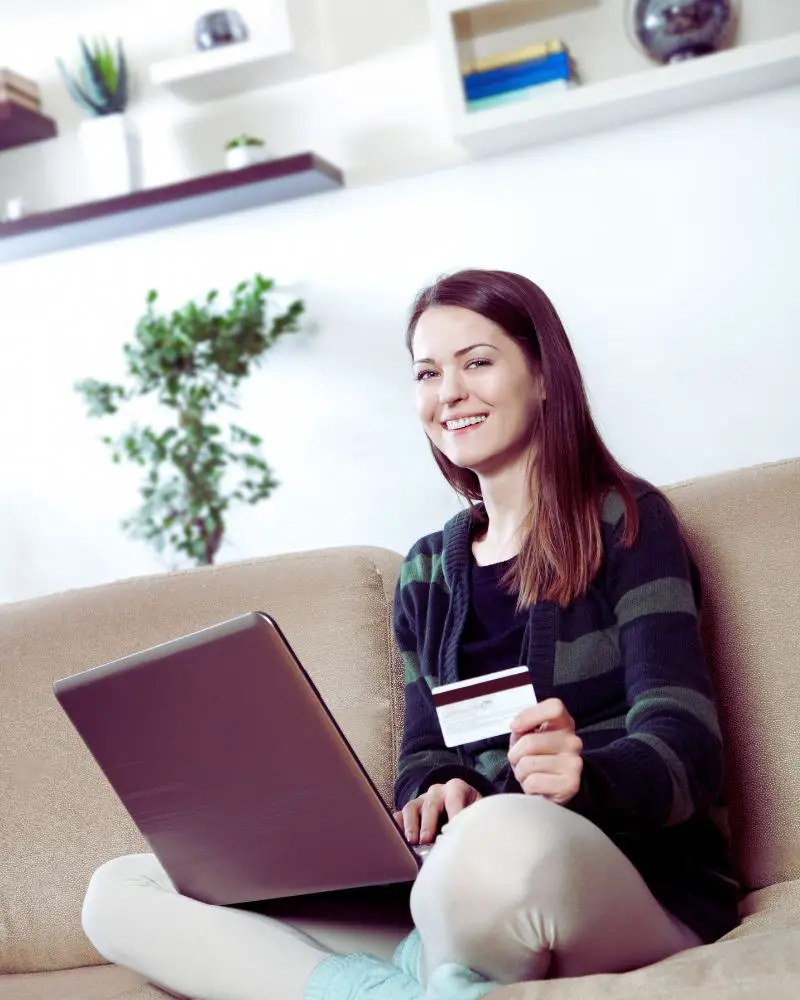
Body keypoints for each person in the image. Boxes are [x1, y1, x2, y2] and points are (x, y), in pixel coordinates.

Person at [81, 269, 740, 1000]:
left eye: (477, 362)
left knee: (500, 834)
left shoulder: (628, 523)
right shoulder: (428, 570)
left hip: (616, 879)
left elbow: (688, 745)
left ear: (545, 376)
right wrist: (433, 789)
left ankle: (417, 977)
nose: (448, 392)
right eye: (428, 372)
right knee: (121, 890)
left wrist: (588, 779)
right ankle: (405, 991)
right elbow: (423, 752)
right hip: (449, 890)